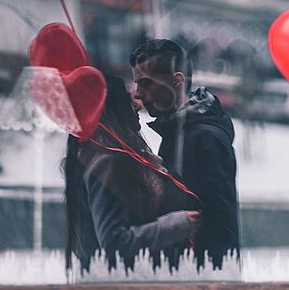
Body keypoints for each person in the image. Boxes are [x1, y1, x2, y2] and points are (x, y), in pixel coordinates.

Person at [64, 74, 200, 271]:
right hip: (117, 289)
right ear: (112, 106)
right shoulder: (106, 162)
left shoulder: (110, 156)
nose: (137, 105)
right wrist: (179, 224)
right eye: (128, 99)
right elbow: (114, 242)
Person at [130, 39, 240, 269]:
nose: (138, 94)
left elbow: (218, 223)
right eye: (136, 84)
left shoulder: (203, 138)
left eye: (146, 83)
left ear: (177, 81)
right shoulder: (179, 132)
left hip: (200, 283)